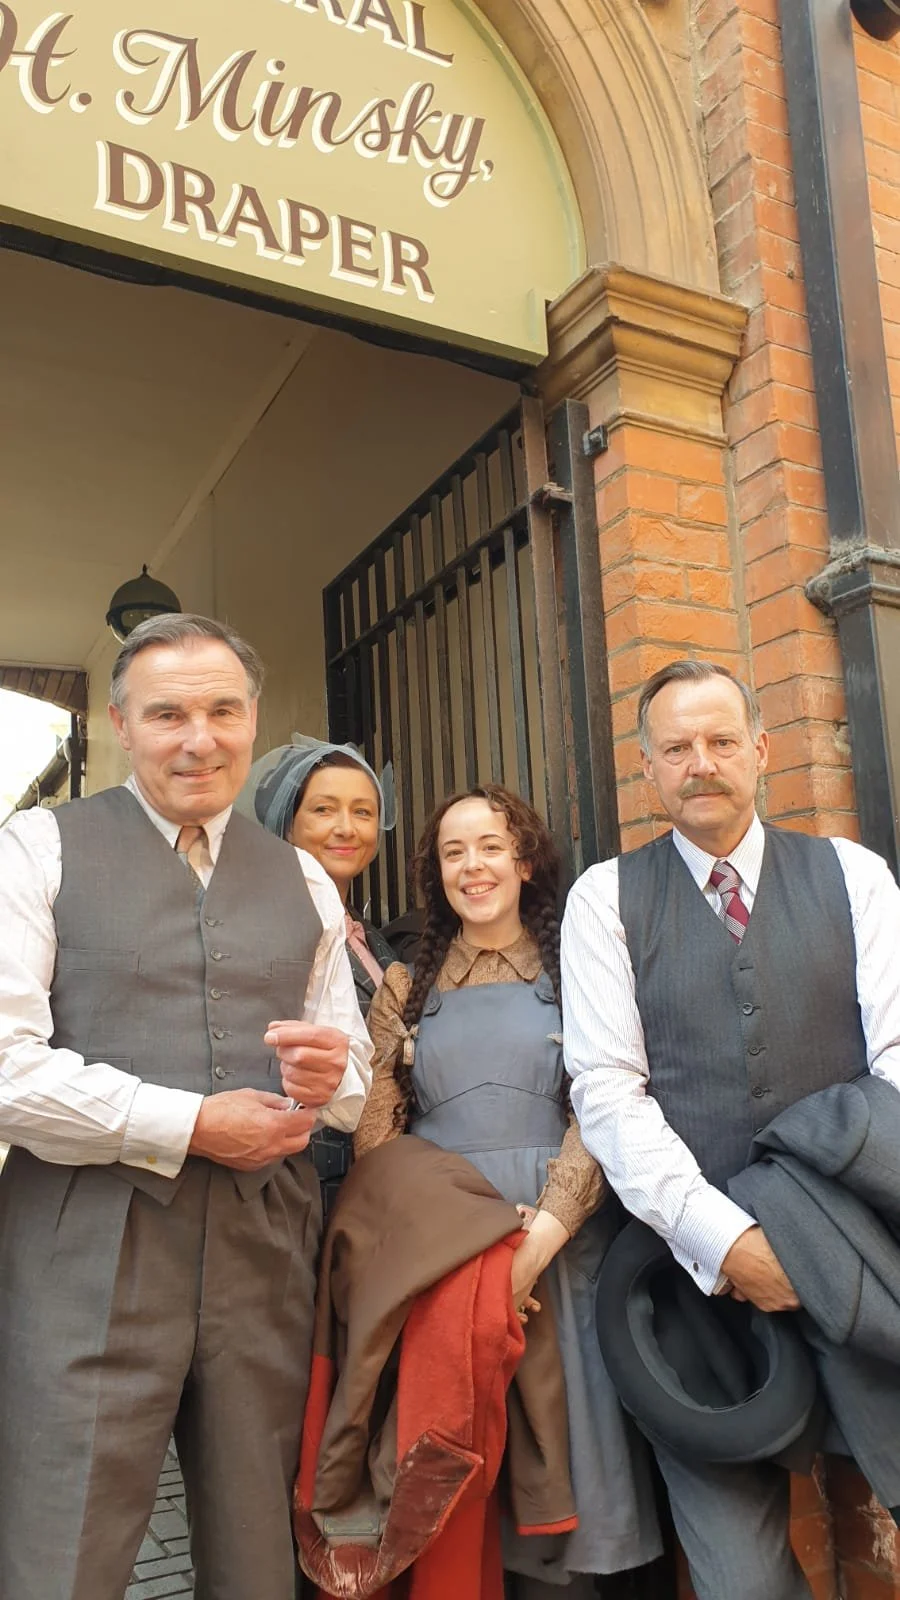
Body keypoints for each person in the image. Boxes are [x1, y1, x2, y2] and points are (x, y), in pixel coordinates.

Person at [0, 614, 373, 1600]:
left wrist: (329, 1075)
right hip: (84, 1246)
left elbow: (355, 1087)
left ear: (253, 721)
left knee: (256, 1551)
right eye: (168, 713)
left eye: (221, 710)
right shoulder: (39, 848)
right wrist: (193, 1123)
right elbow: (4, 1069)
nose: (196, 737)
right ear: (124, 723)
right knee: (63, 1546)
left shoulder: (303, 877)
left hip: (262, 1251)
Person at [560, 659, 900, 1600]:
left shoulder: (853, 876)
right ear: (647, 768)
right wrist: (728, 1239)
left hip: (858, 1255)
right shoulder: (604, 900)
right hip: (688, 1286)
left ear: (761, 749)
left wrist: (809, 1230)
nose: (699, 763)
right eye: (676, 748)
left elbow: (897, 1058)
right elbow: (608, 1091)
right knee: (741, 1584)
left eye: (719, 741)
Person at [355, 783, 661, 1596]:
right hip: (444, 1259)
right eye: (453, 852)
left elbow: (602, 1111)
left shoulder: (579, 968)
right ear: (435, 874)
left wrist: (544, 1233)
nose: (473, 866)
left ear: (525, 861)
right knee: (464, 1482)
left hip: (561, 1249)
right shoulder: (403, 989)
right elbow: (377, 1141)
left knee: (579, 1462)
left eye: (490, 846)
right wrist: (439, 1248)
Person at [247, 735, 397, 1210]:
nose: (346, 828)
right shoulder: (265, 926)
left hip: (380, 1165)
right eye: (324, 810)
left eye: (363, 812)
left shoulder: (374, 937)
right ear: (288, 824)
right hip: (308, 1172)